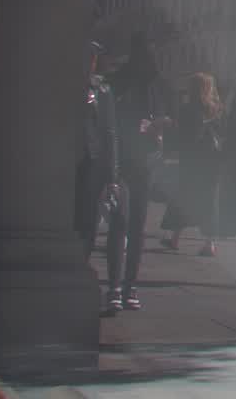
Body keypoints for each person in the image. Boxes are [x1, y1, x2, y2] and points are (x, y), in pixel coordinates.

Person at [106, 41, 167, 310]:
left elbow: (166, 119)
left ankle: (122, 286)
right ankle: (123, 286)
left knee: (127, 225)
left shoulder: (143, 85)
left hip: (137, 161)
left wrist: (158, 128)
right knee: (128, 225)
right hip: (131, 161)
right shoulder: (136, 85)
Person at [74, 39, 125, 313]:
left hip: (92, 164)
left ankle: (79, 270)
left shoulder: (102, 90)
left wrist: (112, 176)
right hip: (69, 163)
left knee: (87, 224)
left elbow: (110, 133)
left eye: (92, 57)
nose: (89, 62)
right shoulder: (65, 86)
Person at [162, 71, 225, 256]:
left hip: (191, 161)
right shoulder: (217, 109)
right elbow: (224, 132)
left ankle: (174, 238)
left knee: (183, 196)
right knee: (210, 199)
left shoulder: (188, 108)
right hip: (212, 161)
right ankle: (210, 243)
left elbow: (184, 136)